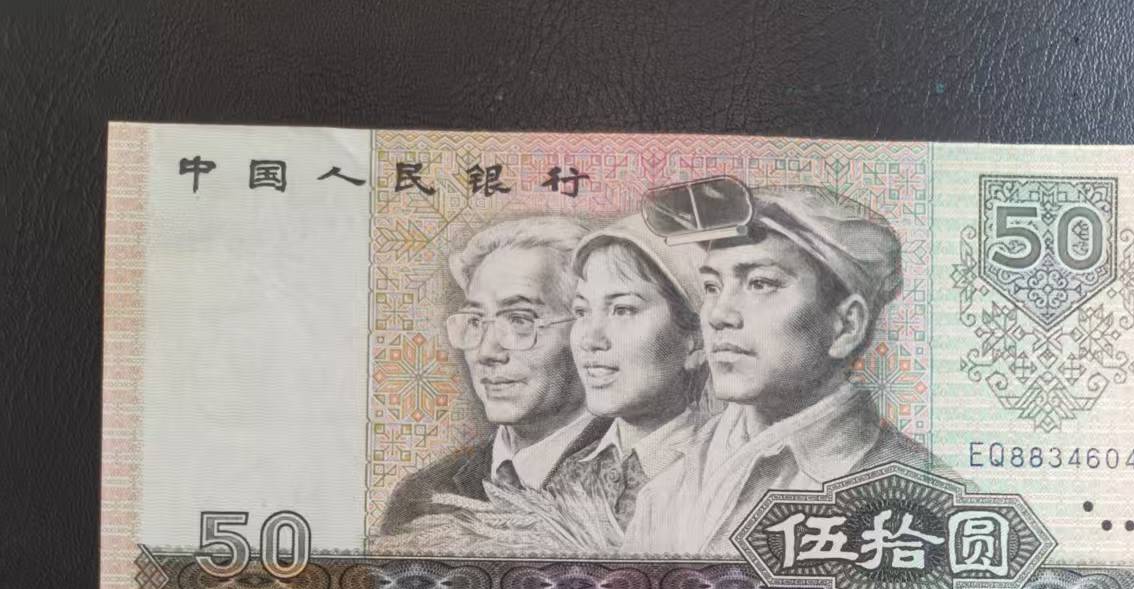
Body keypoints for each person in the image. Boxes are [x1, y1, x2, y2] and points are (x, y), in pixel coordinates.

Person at [621, 184, 931, 557]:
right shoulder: (669, 486)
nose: (718, 314)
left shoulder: (917, 496)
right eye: (712, 287)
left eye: (760, 283)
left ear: (846, 325)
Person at [378, 216, 609, 537]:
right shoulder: (423, 496)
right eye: (475, 321)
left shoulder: (639, 486)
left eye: (520, 320)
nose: (486, 352)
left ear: (586, 330)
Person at [553, 214, 708, 532]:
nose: (590, 339)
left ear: (695, 341)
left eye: (623, 309)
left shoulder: (721, 470)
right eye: (581, 311)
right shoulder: (568, 474)